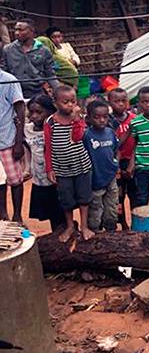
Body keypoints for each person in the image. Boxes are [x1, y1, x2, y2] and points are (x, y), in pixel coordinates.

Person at [44, 85, 92, 241]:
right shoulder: (50, 122)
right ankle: (70, 225)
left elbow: (78, 138)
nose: (70, 105)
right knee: (66, 200)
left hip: (81, 165)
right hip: (61, 168)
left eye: (73, 101)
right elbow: (48, 146)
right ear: (56, 103)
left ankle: (84, 226)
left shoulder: (78, 119)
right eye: (65, 102)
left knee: (84, 198)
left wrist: (77, 120)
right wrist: (49, 168)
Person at [25, 94, 64, 230]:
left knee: (61, 211)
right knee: (50, 213)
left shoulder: (56, 127)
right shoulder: (28, 130)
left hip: (56, 178)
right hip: (39, 179)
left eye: (39, 112)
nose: (34, 116)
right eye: (32, 112)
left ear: (50, 111)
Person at [83, 99, 119, 233]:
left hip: (111, 176)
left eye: (105, 117)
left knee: (111, 206)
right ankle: (95, 230)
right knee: (96, 207)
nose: (102, 120)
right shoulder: (86, 135)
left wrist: (116, 164)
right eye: (97, 117)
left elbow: (116, 150)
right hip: (94, 179)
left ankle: (111, 229)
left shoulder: (110, 132)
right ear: (89, 118)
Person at [0, 18, 58, 98]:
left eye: (21, 30)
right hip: (14, 93)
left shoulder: (44, 51)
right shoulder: (8, 50)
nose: (17, 33)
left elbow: (51, 75)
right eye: (16, 30)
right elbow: (3, 73)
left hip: (37, 93)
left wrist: (59, 92)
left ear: (31, 31)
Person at [107, 88, 136, 230]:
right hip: (115, 164)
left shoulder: (134, 118)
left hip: (132, 161)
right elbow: (113, 145)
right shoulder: (107, 121)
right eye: (116, 101)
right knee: (118, 196)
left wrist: (133, 164)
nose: (120, 104)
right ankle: (123, 223)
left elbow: (138, 141)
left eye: (123, 100)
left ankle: (136, 223)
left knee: (134, 194)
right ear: (109, 102)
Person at [0, 68, 25, 222]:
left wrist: (18, 141)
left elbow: (20, 109)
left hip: (7, 140)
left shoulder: (9, 79)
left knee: (15, 180)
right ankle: (3, 214)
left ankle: (17, 216)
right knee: (0, 182)